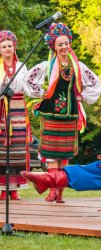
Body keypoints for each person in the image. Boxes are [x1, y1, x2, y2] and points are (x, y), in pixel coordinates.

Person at [24, 22, 101, 203]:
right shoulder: (47, 66)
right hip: (51, 113)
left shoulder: (77, 66)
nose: (64, 47)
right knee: (51, 153)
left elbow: (95, 82)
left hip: (70, 114)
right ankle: (52, 190)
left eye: (66, 43)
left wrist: (82, 96)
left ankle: (60, 192)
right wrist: (40, 93)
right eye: (60, 44)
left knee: (64, 155)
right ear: (54, 46)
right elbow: (29, 79)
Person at [0, 30, 32, 200]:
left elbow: (27, 86)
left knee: (18, 147)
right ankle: (4, 188)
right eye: (4, 46)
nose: (7, 49)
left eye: (9, 46)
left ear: (14, 47)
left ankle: (15, 188)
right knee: (3, 149)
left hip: (18, 107)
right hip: (1, 110)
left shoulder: (22, 66)